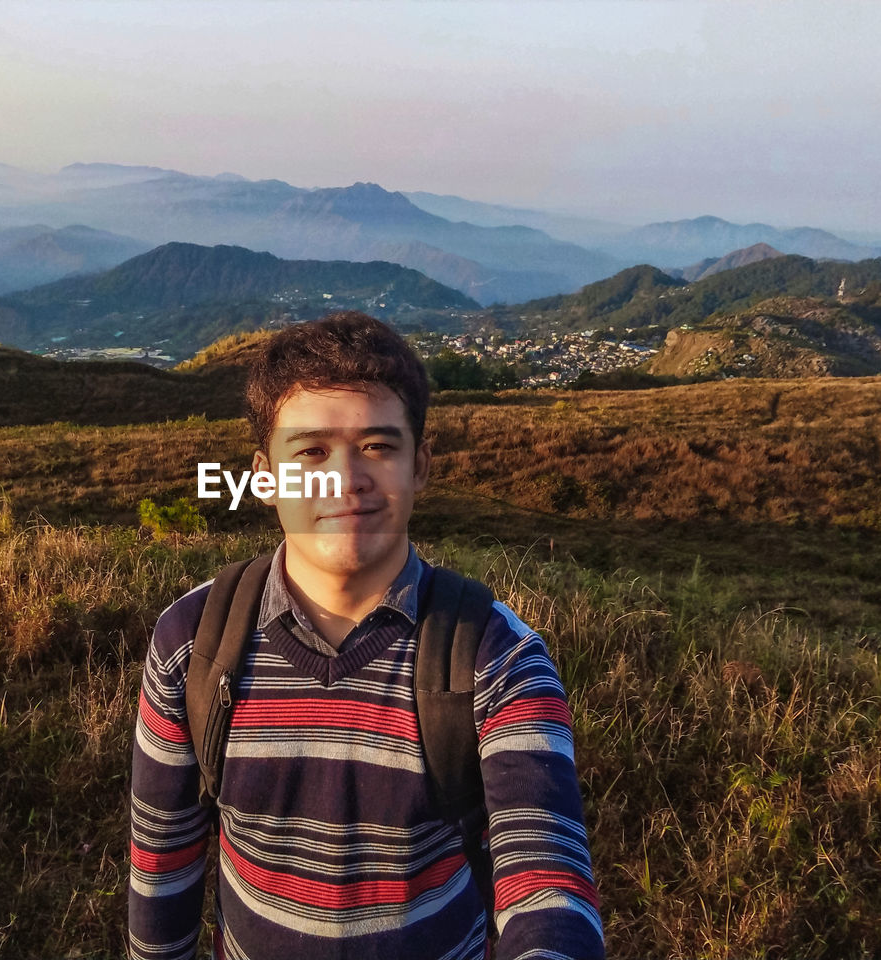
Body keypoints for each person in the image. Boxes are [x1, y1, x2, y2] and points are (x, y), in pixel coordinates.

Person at [128, 312, 604, 960]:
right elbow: (162, 866)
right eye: (312, 451)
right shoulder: (194, 643)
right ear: (264, 477)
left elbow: (547, 877)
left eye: (378, 446)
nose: (346, 479)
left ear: (421, 466)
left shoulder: (497, 658)